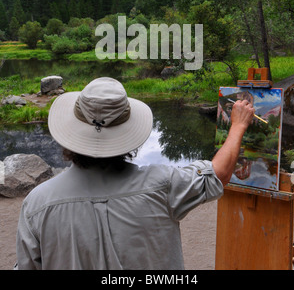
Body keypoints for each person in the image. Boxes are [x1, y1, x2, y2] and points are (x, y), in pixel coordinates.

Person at [15, 77, 254, 270]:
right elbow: (219, 174)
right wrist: (238, 126)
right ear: (128, 135)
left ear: (71, 135)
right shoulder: (163, 185)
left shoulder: (37, 204)